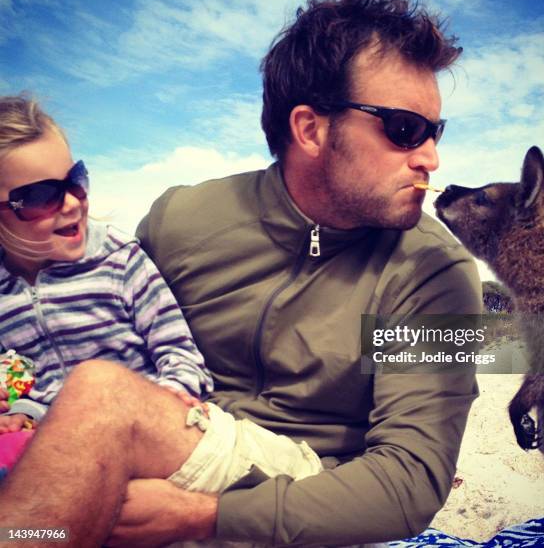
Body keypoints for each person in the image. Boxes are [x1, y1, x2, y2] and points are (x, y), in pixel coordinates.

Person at [0, 0, 482, 547]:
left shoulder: (435, 272)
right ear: (310, 129)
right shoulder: (183, 219)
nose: (431, 157)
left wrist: (202, 515)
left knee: (101, 394)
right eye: (406, 130)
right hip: (168, 449)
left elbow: (409, 483)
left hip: (310, 497)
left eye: (435, 131)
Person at [0, 95, 322, 489]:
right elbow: (30, 379)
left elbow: (181, 355)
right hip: (56, 441)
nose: (71, 203)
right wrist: (23, 409)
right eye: (39, 197)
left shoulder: (118, 260)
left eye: (76, 181)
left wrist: (162, 403)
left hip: (147, 422)